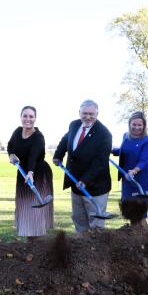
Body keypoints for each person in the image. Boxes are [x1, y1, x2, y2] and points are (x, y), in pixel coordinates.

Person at [53, 100, 113, 233]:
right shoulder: (74, 125)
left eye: (91, 114)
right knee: (79, 221)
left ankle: (95, 251)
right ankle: (81, 250)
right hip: (76, 184)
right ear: (79, 113)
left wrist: (85, 180)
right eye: (85, 113)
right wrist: (58, 155)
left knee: (95, 225)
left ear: (97, 114)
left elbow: (100, 162)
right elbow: (65, 140)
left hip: (95, 187)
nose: (88, 117)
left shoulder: (104, 134)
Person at [7, 106, 54, 240]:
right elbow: (10, 145)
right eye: (25, 116)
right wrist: (11, 155)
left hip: (38, 174)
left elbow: (33, 156)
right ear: (21, 117)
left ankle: (36, 245)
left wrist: (31, 172)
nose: (28, 119)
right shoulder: (17, 131)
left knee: (35, 213)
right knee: (25, 208)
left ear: (35, 118)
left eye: (31, 116)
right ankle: (30, 243)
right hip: (23, 173)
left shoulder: (38, 137)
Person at [111, 111, 148, 226]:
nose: (137, 127)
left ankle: (145, 240)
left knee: (139, 214)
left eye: (140, 125)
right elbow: (124, 151)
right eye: (134, 124)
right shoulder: (126, 136)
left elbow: (144, 160)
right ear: (130, 124)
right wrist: (111, 150)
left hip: (140, 181)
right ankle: (135, 240)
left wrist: (135, 170)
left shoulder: (147, 140)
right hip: (127, 181)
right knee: (130, 213)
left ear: (144, 126)